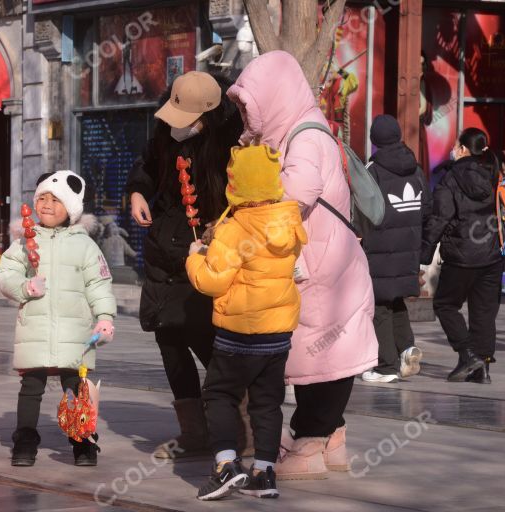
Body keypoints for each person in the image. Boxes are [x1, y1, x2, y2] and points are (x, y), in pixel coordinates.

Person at [227, 50, 378, 480]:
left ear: (275, 96)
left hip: (324, 266)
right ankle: (328, 437)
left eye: (249, 104)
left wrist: (250, 202)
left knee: (323, 352)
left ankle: (312, 439)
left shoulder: (306, 136)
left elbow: (297, 191)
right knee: (319, 352)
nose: (244, 113)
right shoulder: (289, 134)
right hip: (321, 260)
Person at [126, 71, 245, 458]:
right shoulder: (164, 134)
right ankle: (193, 433)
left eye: (188, 119)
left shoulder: (232, 142)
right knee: (170, 341)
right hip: (165, 252)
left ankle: (235, 428)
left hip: (211, 256)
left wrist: (223, 225)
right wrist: (138, 192)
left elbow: (248, 195)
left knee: (212, 343)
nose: (177, 127)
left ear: (208, 116)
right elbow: (145, 167)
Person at [186, 144, 307, 501]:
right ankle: (265, 472)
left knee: (220, 394)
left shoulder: (235, 229)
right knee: (267, 403)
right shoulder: (289, 223)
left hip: (239, 334)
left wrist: (194, 260)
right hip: (278, 334)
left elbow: (212, 281)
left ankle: (226, 464)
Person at [0, 170, 117, 466]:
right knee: (31, 386)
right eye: (42, 198)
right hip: (35, 328)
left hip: (74, 332)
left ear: (72, 208)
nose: (46, 205)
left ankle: (82, 440)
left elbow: (98, 283)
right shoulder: (26, 241)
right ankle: (25, 440)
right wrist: (24, 287)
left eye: (55, 200)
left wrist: (104, 317)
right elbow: (6, 273)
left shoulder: (85, 244)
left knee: (76, 387)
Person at [421, 128, 503, 384]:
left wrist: (424, 252)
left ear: (464, 149)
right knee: (484, 312)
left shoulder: (452, 178)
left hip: (462, 255)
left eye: (457, 145)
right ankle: (483, 368)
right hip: (492, 254)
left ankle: (468, 355)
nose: (453, 149)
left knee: (445, 305)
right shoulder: (494, 173)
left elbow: (439, 218)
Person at [360, 115, 431, 383]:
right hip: (409, 249)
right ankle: (407, 349)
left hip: (379, 249)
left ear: (374, 139)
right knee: (396, 299)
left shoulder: (373, 169)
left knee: (379, 304)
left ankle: (386, 366)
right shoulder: (416, 169)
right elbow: (427, 208)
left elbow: (363, 211)